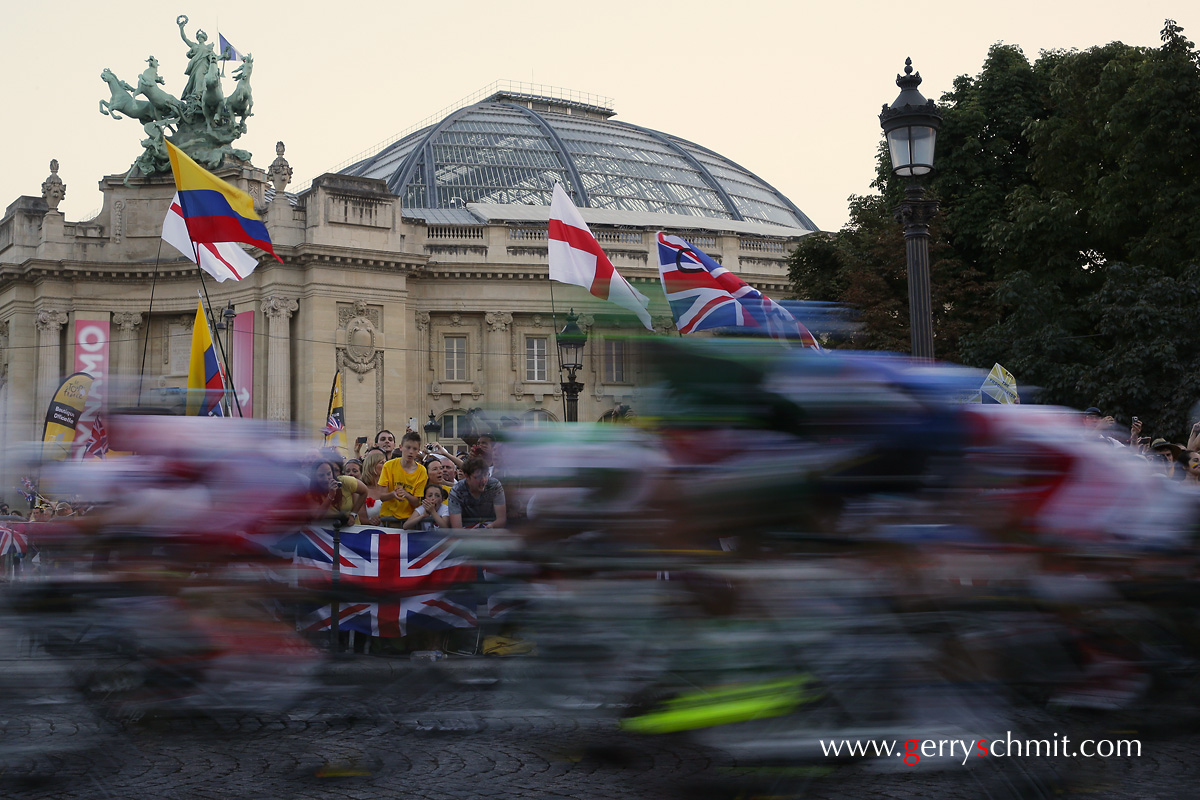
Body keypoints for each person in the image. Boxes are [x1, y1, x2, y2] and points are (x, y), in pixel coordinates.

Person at [378, 432, 427, 526]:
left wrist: (406, 495)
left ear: (418, 451)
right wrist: (392, 494)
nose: (411, 452)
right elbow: (382, 496)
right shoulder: (389, 466)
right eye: (408, 447)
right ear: (401, 447)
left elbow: (416, 502)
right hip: (389, 520)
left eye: (415, 449)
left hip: (409, 521)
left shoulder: (422, 471)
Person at [448, 456, 506, 529]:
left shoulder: (494, 486)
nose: (484, 480)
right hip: (467, 533)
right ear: (467, 476)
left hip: (492, 532)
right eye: (478, 477)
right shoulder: (456, 491)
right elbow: (457, 529)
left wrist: (489, 527)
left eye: (486, 475)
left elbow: (501, 519)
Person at [358, 450, 388, 525]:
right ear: (371, 466)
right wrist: (370, 521)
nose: (386, 465)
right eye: (382, 463)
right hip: (371, 533)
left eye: (386, 462)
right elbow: (361, 518)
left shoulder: (391, 487)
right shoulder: (362, 489)